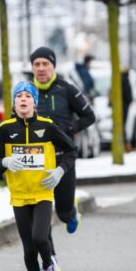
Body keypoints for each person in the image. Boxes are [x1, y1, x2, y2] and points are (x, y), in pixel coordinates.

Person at [0, 82, 77, 271]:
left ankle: (49, 265)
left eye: (28, 96)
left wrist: (59, 171)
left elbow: (71, 150)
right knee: (28, 249)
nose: (23, 99)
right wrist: (5, 161)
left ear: (34, 102)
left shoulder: (46, 126)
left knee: (40, 238)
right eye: (19, 96)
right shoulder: (5, 129)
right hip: (19, 195)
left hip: (42, 192)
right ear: (14, 103)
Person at [30, 47, 96, 258]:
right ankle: (49, 258)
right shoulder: (27, 92)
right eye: (37, 64)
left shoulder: (66, 89)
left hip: (63, 159)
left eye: (45, 64)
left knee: (64, 213)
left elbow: (89, 116)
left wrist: (70, 129)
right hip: (37, 161)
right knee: (41, 213)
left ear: (53, 66)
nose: (41, 68)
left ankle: (71, 212)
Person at [121, 66, 134, 152]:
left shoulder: (120, 79)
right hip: (124, 106)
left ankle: (125, 144)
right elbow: (128, 95)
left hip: (122, 105)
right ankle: (125, 145)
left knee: (123, 126)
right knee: (123, 126)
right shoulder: (125, 80)